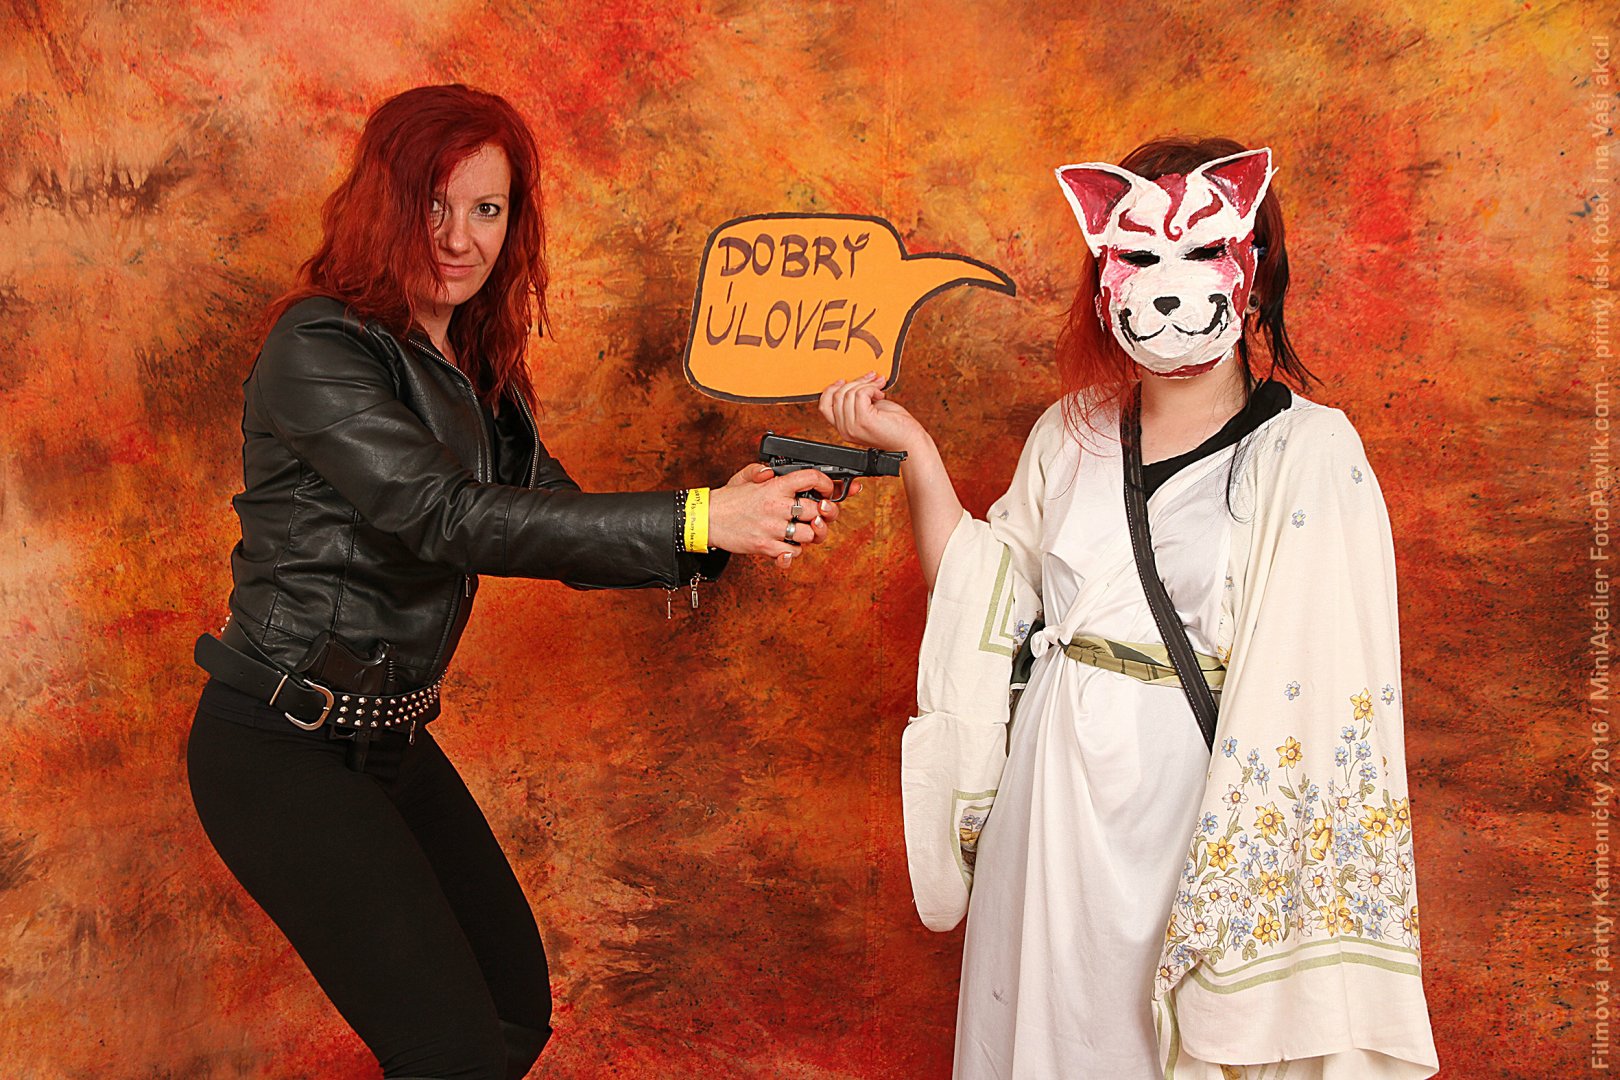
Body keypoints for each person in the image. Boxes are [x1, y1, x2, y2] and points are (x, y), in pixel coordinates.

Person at [186, 84, 845, 1080]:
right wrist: (700, 516)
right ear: (381, 204)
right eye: (433, 206)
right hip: (282, 742)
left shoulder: (472, 362)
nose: (460, 239)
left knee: (508, 1013)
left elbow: (556, 523)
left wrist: (724, 519)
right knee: (450, 1053)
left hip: (389, 738)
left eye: (486, 209)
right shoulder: (317, 345)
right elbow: (446, 516)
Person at [821, 138, 1439, 1078]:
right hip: (1049, 800)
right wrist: (913, 450)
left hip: (1187, 810)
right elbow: (980, 595)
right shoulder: (1069, 433)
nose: (1171, 283)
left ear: (1254, 274)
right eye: (1143, 255)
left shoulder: (1307, 450)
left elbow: (1320, 689)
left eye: (1205, 252)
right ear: (1108, 273)